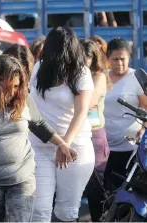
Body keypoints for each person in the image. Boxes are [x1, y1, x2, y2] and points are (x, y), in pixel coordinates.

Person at [0, 55, 77, 222]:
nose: (12, 92)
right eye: (8, 86)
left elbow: (39, 124)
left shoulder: (23, 99)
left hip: (22, 178)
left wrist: (62, 144)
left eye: (17, 86)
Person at [29, 27, 95, 222]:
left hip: (74, 148)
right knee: (39, 210)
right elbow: (32, 106)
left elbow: (82, 112)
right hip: (40, 146)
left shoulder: (81, 72)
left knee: (67, 211)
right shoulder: (39, 68)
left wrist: (64, 143)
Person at [103, 37, 147, 189]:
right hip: (105, 147)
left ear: (129, 58)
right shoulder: (101, 77)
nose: (119, 63)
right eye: (115, 59)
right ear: (108, 59)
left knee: (127, 189)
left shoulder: (136, 78)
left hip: (130, 147)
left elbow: (146, 108)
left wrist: (142, 129)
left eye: (123, 59)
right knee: (106, 189)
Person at [81, 39, 110, 222]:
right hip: (79, 136)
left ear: (94, 58)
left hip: (95, 136)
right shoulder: (74, 75)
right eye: (81, 58)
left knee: (97, 187)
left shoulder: (98, 77)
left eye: (88, 58)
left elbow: (89, 102)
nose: (84, 62)